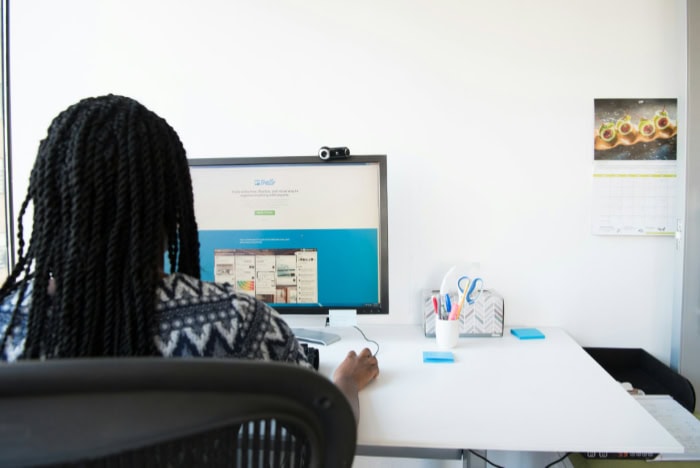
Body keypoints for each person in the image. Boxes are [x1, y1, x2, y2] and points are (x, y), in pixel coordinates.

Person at [0, 94, 378, 421]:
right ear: (171, 208)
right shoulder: (242, 325)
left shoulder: (8, 327)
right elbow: (322, 429)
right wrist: (345, 382)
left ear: (51, 203)